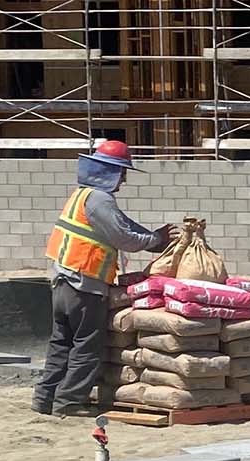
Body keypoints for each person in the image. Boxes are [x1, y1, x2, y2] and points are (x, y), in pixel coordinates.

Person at [32, 138, 170, 416]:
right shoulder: (100, 199)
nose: (124, 179)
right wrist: (154, 239)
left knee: (61, 343)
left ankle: (45, 398)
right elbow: (123, 236)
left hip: (63, 282)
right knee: (87, 344)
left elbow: (124, 224)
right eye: (122, 172)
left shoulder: (82, 195)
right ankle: (69, 402)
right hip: (85, 284)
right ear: (109, 171)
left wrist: (152, 237)